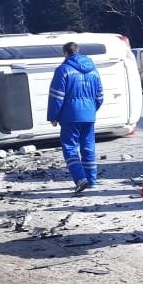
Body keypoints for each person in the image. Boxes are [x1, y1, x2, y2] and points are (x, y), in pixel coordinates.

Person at [47, 42, 104, 194]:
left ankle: (80, 179)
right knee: (88, 146)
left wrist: (53, 116)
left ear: (65, 53)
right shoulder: (93, 70)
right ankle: (91, 180)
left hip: (70, 116)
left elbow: (56, 97)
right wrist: (92, 109)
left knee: (70, 147)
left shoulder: (63, 70)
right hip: (89, 115)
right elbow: (100, 96)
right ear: (78, 51)